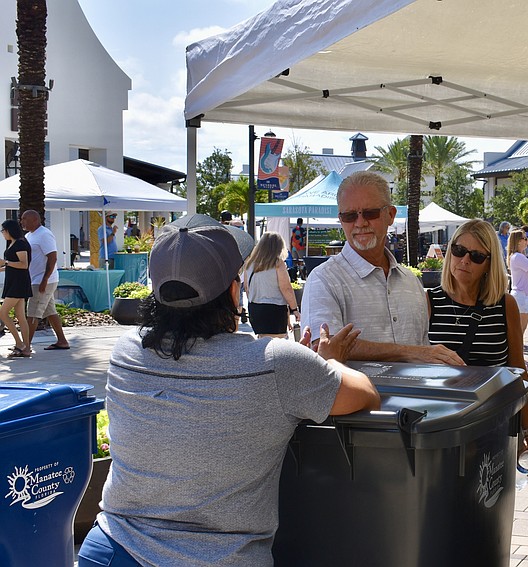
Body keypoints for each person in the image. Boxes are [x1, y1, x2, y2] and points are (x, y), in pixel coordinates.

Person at [77, 220, 380, 567]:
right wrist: (325, 361)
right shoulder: (275, 363)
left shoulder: (126, 352)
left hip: (111, 551)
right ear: (234, 293)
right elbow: (365, 394)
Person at [302, 171, 464, 365]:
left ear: (391, 215)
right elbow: (324, 346)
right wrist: (409, 352)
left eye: (370, 213)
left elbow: (422, 348)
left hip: (415, 395)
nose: (360, 223)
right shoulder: (324, 279)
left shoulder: (411, 282)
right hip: (359, 396)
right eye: (349, 216)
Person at [426, 219, 528, 473]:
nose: (464, 260)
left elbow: (519, 371)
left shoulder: (505, 305)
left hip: (493, 427)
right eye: (458, 251)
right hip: (443, 428)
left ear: (490, 263)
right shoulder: (429, 301)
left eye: (476, 256)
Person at [20, 210, 70, 350]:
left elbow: (53, 257)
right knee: (50, 311)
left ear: (35, 220)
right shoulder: (29, 235)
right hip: (35, 280)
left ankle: (25, 347)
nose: (21, 221)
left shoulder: (44, 234)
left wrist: (44, 280)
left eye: (24, 218)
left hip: (43, 281)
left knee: (33, 312)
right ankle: (62, 341)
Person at [243, 231, 300, 338]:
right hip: (274, 310)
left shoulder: (250, 264)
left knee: (262, 343)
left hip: (255, 308)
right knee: (277, 345)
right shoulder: (278, 263)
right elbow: (286, 288)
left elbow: (247, 288)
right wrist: (295, 309)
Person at [0, 220, 32, 357]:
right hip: (13, 281)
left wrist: (5, 262)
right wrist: (2, 268)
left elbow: (23, 265)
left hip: (18, 284)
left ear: (9, 230)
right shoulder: (13, 243)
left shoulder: (20, 243)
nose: (2, 233)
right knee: (20, 316)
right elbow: (12, 265)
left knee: (3, 313)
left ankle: (20, 344)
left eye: (3, 231)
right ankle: (26, 348)